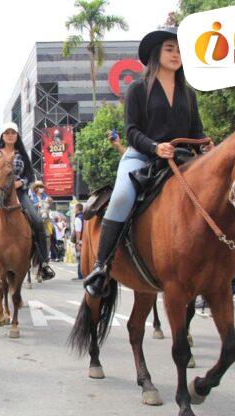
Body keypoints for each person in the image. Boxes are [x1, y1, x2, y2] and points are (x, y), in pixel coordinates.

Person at [83, 27, 206, 297]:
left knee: (214, 192)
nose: (176, 54)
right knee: (121, 197)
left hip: (181, 160)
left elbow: (196, 131)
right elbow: (131, 131)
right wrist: (155, 146)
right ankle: (101, 267)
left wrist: (207, 146)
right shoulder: (139, 88)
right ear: (156, 53)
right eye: (170, 49)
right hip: (141, 156)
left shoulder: (189, 93)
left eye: (180, 50)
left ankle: (229, 261)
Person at [0, 122, 56, 281]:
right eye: (7, 133)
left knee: (37, 221)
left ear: (17, 136)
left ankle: (44, 263)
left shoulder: (22, 154)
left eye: (13, 133)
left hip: (19, 193)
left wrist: (20, 183)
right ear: (2, 136)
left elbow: (30, 177)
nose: (10, 135)